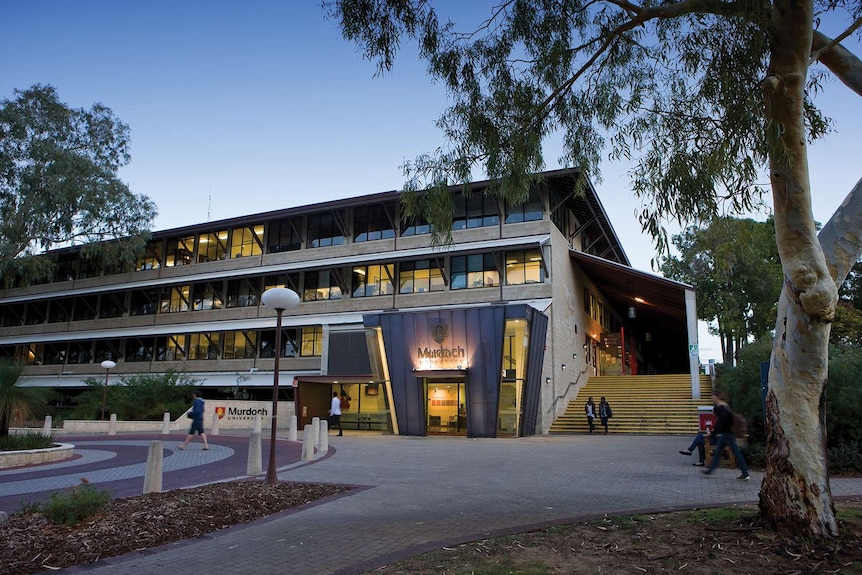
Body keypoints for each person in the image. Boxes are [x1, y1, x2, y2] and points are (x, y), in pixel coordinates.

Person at [702, 391, 750, 480]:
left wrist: (713, 432)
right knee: (720, 451)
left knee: (735, 452)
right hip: (727, 433)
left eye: (713, 396)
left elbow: (721, 421)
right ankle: (711, 469)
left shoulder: (721, 407)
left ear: (717, 397)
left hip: (727, 433)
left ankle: (745, 473)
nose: (712, 398)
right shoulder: (725, 406)